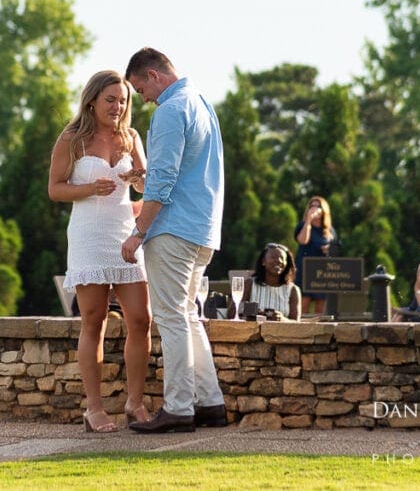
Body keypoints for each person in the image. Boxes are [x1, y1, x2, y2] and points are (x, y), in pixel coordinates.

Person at [120, 48, 227, 434]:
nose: (143, 98)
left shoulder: (169, 109)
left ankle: (179, 408)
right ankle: (210, 402)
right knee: (188, 316)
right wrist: (139, 180)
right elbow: (183, 174)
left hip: (173, 229)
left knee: (170, 318)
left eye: (140, 88)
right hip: (203, 230)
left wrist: (138, 233)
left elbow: (163, 182)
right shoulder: (201, 103)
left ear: (154, 75)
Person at [48, 70, 152, 433]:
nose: (118, 106)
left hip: (125, 234)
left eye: (123, 100)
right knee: (94, 319)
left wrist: (138, 178)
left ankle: (135, 403)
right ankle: (94, 409)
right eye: (111, 99)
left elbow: (144, 184)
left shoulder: (131, 136)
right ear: (92, 99)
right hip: (89, 236)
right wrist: (91, 187)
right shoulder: (72, 139)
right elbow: (56, 190)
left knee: (141, 319)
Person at [227, 243, 302, 321]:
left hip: (281, 333)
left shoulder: (293, 289)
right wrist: (253, 313)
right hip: (252, 332)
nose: (279, 260)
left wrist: (282, 319)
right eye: (273, 257)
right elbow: (231, 314)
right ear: (263, 261)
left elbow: (296, 323)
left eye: (282, 258)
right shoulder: (250, 284)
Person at [294, 195, 339, 315]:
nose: (314, 208)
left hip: (322, 273)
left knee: (321, 309)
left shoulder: (330, 230)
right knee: (303, 306)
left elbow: (336, 251)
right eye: (311, 206)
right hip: (305, 271)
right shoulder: (303, 225)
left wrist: (329, 250)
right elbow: (303, 240)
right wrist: (308, 221)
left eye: (317, 206)